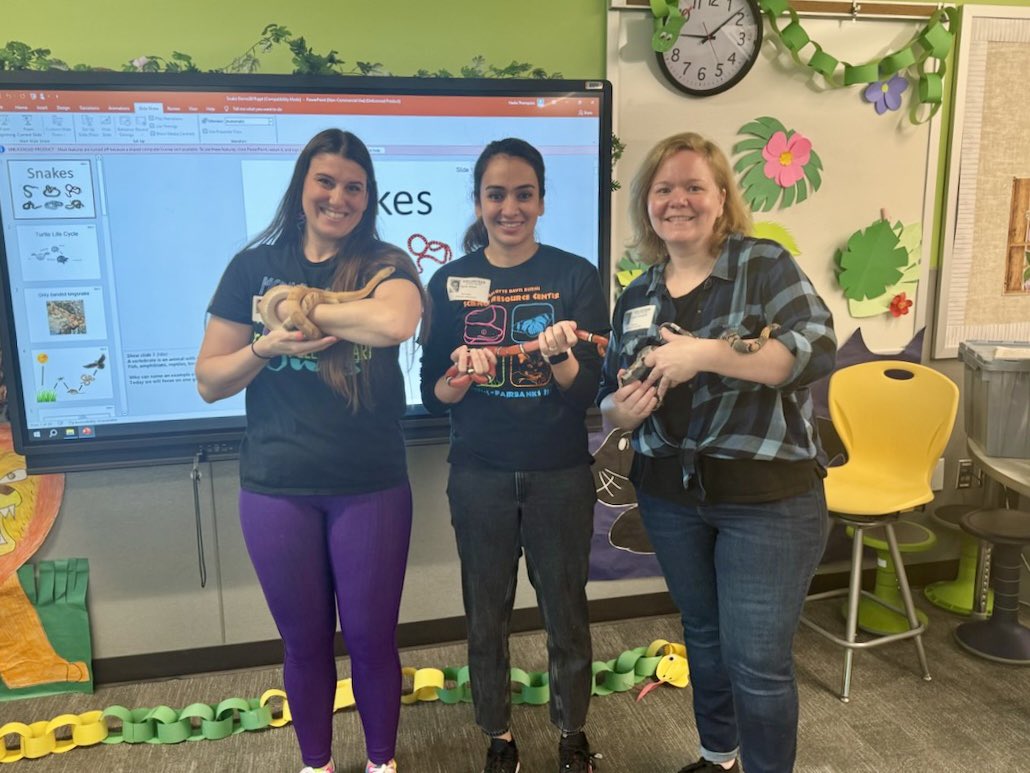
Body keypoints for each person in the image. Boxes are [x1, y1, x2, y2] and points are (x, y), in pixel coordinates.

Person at [598, 132, 836, 773]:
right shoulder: (638, 293)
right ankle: (716, 756)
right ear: (646, 203)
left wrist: (698, 353)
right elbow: (608, 404)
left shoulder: (764, 264)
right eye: (663, 188)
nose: (678, 200)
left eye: (694, 186)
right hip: (671, 496)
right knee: (702, 640)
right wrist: (625, 409)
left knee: (757, 660)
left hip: (768, 500)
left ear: (722, 197)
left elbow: (814, 350)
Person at [195, 129, 425, 773]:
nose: (339, 197)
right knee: (303, 644)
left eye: (354, 186)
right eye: (326, 181)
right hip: (275, 486)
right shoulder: (251, 268)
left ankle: (383, 764)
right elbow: (211, 379)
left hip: (370, 483)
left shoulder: (387, 263)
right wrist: (266, 345)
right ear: (302, 187)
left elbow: (395, 322)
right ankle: (315, 764)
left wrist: (296, 309)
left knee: (373, 641)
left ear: (368, 197)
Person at [419, 138, 609, 773]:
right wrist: (461, 377)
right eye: (496, 194)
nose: (509, 207)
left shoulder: (575, 275)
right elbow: (432, 394)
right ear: (478, 201)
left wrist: (557, 353)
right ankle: (498, 736)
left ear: (542, 201)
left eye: (523, 194)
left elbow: (586, 391)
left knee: (566, 612)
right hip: (479, 474)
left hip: (559, 473)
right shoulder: (447, 282)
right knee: (486, 614)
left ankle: (572, 733)